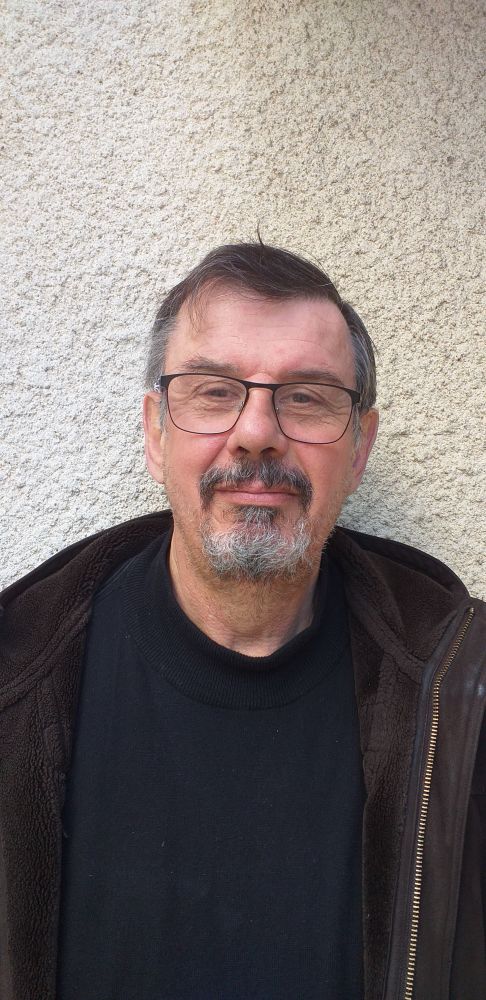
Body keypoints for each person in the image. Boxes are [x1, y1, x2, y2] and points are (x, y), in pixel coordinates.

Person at [0, 242, 484, 1000]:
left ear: (360, 448)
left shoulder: (460, 702)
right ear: (156, 432)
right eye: (214, 391)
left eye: (307, 397)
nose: (258, 432)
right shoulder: (16, 681)